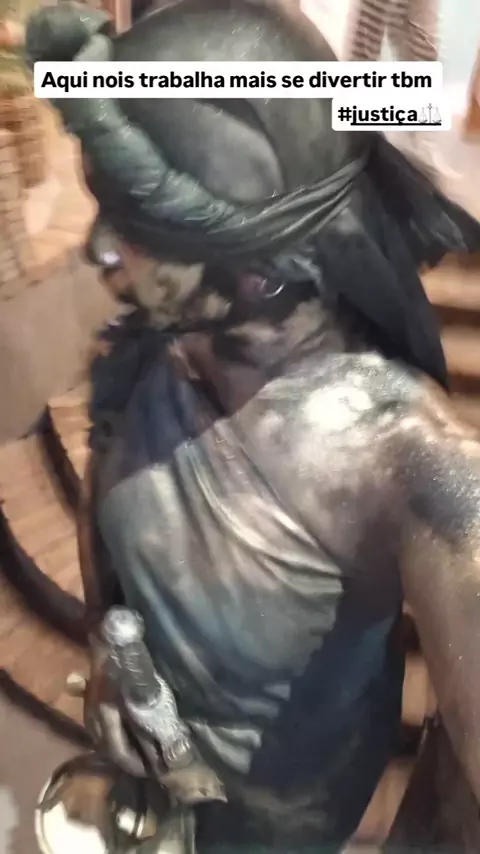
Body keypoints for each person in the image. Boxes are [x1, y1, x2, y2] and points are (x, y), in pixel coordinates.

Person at [26, 1, 480, 851]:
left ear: (260, 274)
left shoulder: (405, 463)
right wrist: (109, 658)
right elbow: (106, 495)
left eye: (139, 231)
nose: (100, 250)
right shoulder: (154, 349)